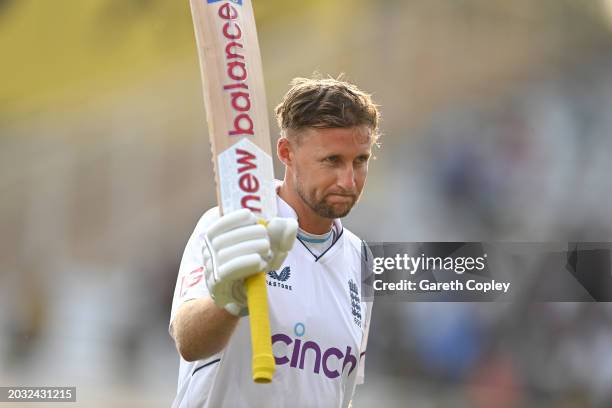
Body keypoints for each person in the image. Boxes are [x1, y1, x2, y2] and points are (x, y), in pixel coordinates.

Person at [169, 76, 380, 408]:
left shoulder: (361, 260)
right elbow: (187, 340)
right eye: (332, 160)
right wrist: (229, 301)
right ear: (287, 153)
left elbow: (339, 391)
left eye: (360, 161)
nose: (348, 180)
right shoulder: (232, 223)